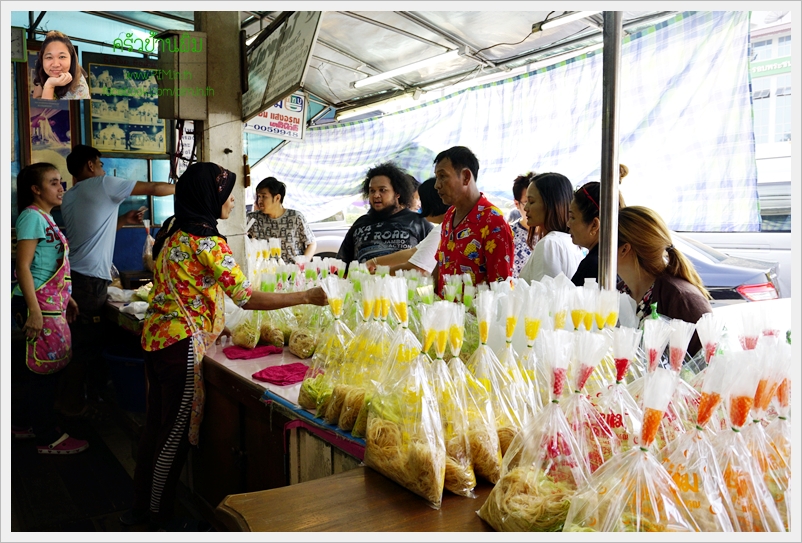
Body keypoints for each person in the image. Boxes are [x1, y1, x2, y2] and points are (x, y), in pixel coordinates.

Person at [122, 163, 327, 530]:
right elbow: (245, 298)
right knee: (174, 438)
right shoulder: (208, 242)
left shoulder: (173, 231)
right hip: (180, 345)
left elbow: (183, 285)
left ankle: (142, 507)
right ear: (208, 197)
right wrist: (306, 296)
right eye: (225, 193)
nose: (232, 200)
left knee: (156, 430)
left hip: (156, 339)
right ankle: (154, 523)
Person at [59, 145, 175, 417]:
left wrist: (123, 219)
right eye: (99, 164)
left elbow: (94, 231)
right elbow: (155, 188)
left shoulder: (71, 196)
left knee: (83, 342)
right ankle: (72, 407)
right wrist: (186, 188)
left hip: (75, 276)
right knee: (84, 345)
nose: (102, 169)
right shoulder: (102, 184)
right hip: (88, 280)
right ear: (90, 165)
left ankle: (84, 399)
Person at [11, 163, 88, 454]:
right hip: (37, 304)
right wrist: (34, 310)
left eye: (61, 182)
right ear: (36, 189)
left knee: (42, 368)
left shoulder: (45, 218)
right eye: (54, 183)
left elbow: (49, 266)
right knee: (44, 370)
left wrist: (66, 296)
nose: (61, 188)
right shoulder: (32, 217)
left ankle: (21, 423)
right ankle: (46, 437)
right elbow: (23, 266)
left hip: (49, 302)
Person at [617, 206, 712, 355]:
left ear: (624, 249)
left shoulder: (682, 298)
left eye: (603, 244)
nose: (600, 251)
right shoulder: (621, 291)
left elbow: (708, 365)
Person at [432, 146, 514, 296]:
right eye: (437, 178)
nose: (436, 185)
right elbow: (441, 263)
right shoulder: (450, 214)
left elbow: (501, 287)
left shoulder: (493, 221)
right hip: (445, 315)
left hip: (477, 317)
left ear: (465, 177)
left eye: (442, 176)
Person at [337, 162, 432, 265]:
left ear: (397, 193)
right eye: (372, 191)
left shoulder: (418, 222)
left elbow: (432, 260)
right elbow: (341, 265)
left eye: (382, 190)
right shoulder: (359, 224)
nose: (376, 195)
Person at [366, 177, 449, 275]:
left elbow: (416, 268)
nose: (420, 206)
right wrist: (375, 261)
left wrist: (374, 274)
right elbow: (412, 252)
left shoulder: (441, 231)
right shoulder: (442, 228)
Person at [567, 165, 629, 286]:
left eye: (572, 217)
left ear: (594, 225)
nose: (568, 224)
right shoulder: (615, 259)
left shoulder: (595, 265)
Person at [519, 172, 583, 284]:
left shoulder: (549, 243)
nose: (526, 208)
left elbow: (545, 297)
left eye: (532, 201)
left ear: (551, 204)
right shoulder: (570, 241)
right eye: (526, 202)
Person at [246, 176, 317, 262]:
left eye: (264, 197)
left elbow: (311, 244)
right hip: (265, 273)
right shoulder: (252, 219)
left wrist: (302, 265)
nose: (260, 201)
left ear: (277, 198)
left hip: (293, 272)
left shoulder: (296, 218)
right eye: (259, 196)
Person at [31, 31, 90, 100]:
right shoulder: (42, 73)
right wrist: (49, 84)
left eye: (62, 57)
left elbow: (47, 109)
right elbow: (38, 104)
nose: (55, 64)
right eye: (49, 57)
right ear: (42, 60)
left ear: (71, 58)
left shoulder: (79, 87)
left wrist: (50, 85)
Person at [510, 172, 536, 278]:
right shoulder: (510, 235)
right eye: (527, 202)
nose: (533, 208)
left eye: (536, 202)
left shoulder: (551, 233)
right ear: (517, 204)